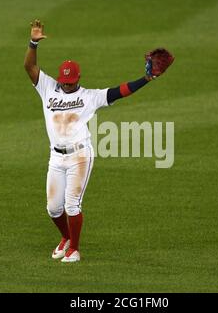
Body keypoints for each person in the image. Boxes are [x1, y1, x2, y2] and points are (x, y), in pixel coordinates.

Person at [24, 19, 167, 262]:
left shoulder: (90, 96)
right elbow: (29, 67)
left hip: (80, 155)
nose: (66, 84)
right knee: (53, 208)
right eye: (64, 81)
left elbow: (120, 91)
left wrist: (146, 79)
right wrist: (33, 43)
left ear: (78, 79)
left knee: (71, 205)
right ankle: (66, 237)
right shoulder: (48, 87)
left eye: (70, 81)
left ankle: (75, 249)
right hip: (55, 156)